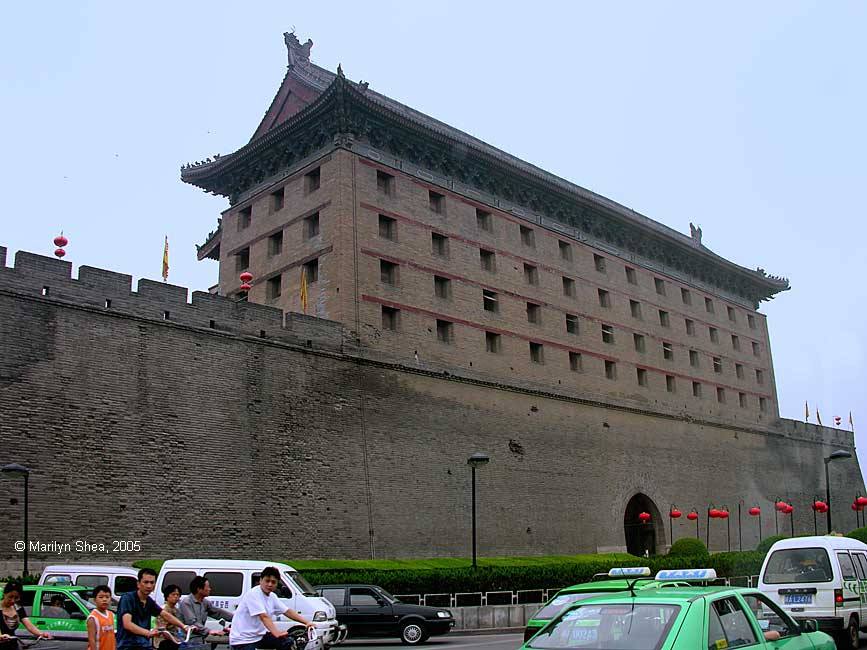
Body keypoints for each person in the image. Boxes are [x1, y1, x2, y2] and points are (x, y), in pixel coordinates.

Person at [228, 567, 314, 650]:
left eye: (273, 582)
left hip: (259, 636)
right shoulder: (253, 594)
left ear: (277, 584)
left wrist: (307, 622)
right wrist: (276, 633)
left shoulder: (272, 596)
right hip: (243, 639)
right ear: (261, 580)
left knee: (287, 642)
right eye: (267, 581)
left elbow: (287, 611)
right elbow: (264, 617)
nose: (270, 584)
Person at [116, 569, 191, 650]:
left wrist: (184, 626)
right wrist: (148, 633)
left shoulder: (149, 601)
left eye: (152, 582)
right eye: (146, 582)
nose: (149, 586)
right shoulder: (128, 598)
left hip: (144, 645)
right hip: (128, 645)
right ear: (138, 584)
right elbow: (127, 624)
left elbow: (165, 614)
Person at [0, 582, 52, 650]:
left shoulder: (18, 608)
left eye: (16, 598)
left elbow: (29, 625)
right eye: (10, 597)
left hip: (12, 644)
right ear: (4, 594)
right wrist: (1, 636)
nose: (13, 601)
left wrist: (41, 634)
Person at [87, 585, 116, 650]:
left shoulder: (111, 615)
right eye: (101, 597)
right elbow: (92, 640)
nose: (104, 599)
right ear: (94, 600)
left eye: (107, 597)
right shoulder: (92, 618)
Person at [155, 586, 183, 650]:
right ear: (167, 596)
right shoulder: (163, 610)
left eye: (178, 595)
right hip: (163, 641)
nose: (176, 597)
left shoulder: (176, 610)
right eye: (173, 594)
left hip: (174, 639)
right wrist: (174, 639)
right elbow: (162, 630)